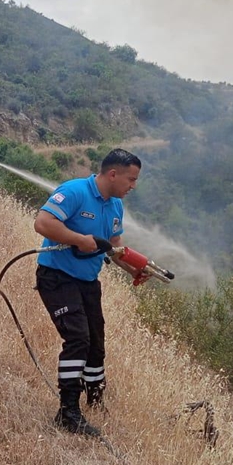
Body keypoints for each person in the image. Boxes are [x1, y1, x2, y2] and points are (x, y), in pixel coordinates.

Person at [33, 149, 147, 436]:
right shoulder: (74, 191)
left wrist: (133, 268)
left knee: (96, 342)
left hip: (87, 281)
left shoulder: (115, 205)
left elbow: (113, 245)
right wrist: (77, 239)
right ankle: (68, 411)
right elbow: (43, 223)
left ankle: (95, 398)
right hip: (57, 277)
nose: (133, 186)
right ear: (113, 174)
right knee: (78, 339)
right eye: (130, 179)